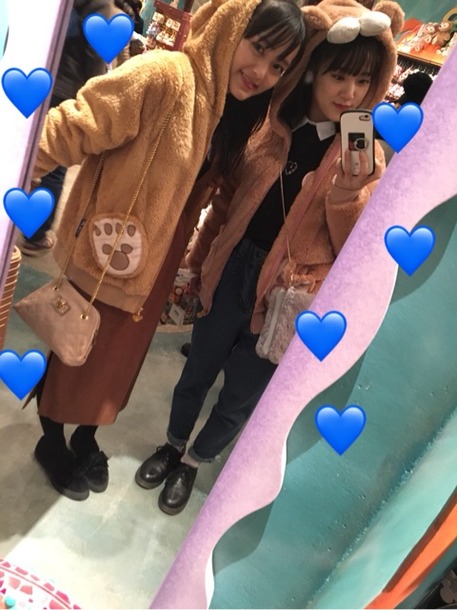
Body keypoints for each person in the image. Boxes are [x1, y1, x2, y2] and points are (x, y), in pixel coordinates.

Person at [28, 0, 307, 501]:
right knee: (76, 347)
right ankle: (51, 438)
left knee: (120, 360)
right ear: (230, 28)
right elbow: (76, 124)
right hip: (110, 246)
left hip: (160, 254)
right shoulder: (165, 75)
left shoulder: (234, 114)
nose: (262, 72)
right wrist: (17, 172)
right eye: (259, 48)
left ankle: (87, 435)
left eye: (279, 66)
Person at [135, 0, 404, 515]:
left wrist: (347, 192)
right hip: (232, 267)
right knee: (197, 370)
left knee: (240, 394)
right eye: (339, 77)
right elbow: (225, 204)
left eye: (363, 82)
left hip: (288, 293)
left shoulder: (365, 154)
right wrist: (198, 262)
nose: (350, 93)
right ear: (312, 72)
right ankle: (171, 444)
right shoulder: (268, 127)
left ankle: (192, 462)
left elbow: (357, 246)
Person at [17, 0, 121, 257]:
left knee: (25, 152)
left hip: (37, 84)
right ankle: (35, 235)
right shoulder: (103, 10)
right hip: (66, 93)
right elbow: (95, 67)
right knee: (55, 165)